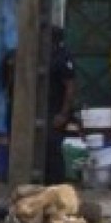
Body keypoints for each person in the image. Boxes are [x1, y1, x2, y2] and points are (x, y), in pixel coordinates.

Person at [46, 27, 77, 185]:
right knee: (44, 148)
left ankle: (57, 185)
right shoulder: (46, 55)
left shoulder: (62, 57)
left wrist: (63, 113)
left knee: (53, 148)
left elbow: (70, 87)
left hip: (56, 110)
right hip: (45, 109)